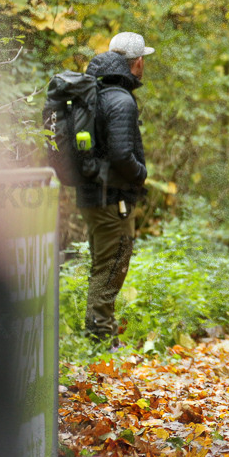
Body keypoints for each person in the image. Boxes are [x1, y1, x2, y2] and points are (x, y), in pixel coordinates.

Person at [76, 32, 151, 342]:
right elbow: (121, 154)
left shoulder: (97, 92)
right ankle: (100, 340)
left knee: (102, 266)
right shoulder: (120, 99)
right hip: (112, 199)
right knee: (112, 266)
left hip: (93, 195)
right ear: (137, 62)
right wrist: (140, 173)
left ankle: (100, 335)